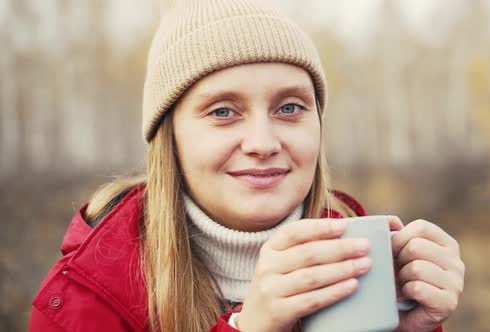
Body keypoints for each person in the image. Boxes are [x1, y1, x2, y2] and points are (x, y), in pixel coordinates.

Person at [29, 0, 465, 331]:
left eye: (290, 107)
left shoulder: (364, 259)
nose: (263, 143)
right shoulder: (88, 296)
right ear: (171, 138)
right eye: (223, 111)